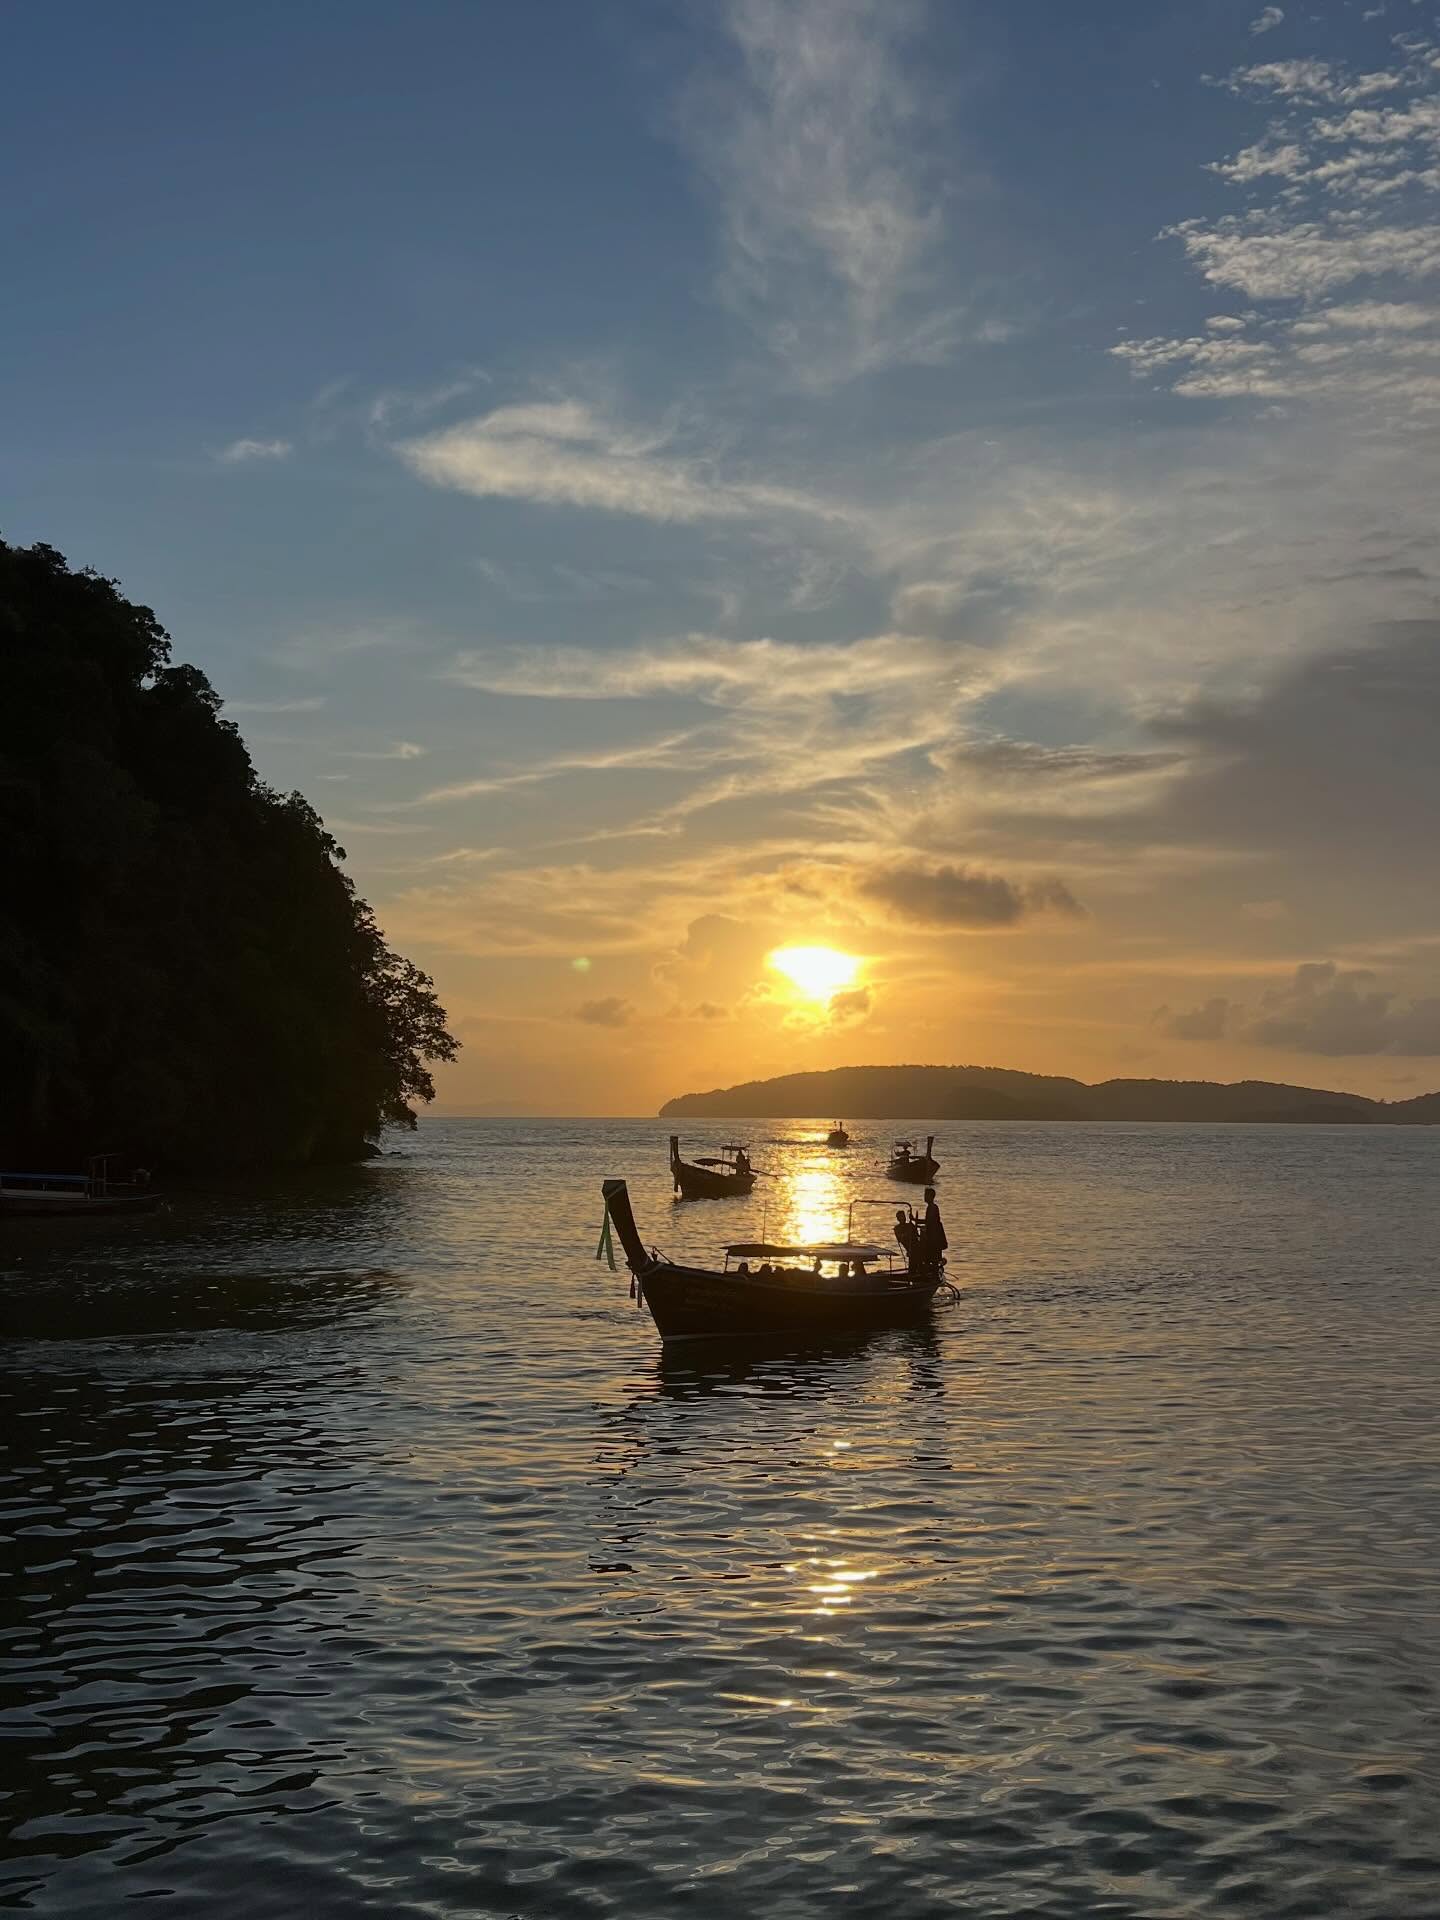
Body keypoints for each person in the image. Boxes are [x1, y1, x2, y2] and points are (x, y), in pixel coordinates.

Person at [921, 1187, 947, 1274]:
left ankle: (933, 1272)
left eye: (926, 1195)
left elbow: (929, 1222)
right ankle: (930, 1271)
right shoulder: (931, 1207)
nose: (924, 1197)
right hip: (933, 1236)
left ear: (930, 1196)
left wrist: (916, 1220)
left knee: (933, 1257)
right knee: (931, 1256)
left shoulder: (932, 1207)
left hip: (934, 1237)